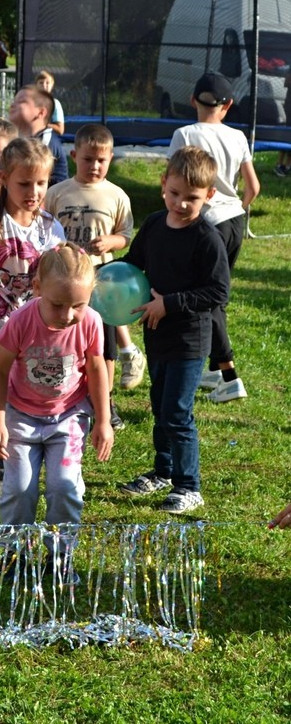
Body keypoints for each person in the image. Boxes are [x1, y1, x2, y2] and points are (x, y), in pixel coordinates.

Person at [118, 146, 229, 514]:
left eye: (192, 198)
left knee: (177, 413)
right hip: (157, 336)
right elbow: (133, 264)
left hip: (189, 339)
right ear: (164, 183)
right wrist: (97, 274)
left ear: (209, 195)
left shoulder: (206, 238)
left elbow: (217, 291)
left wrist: (169, 303)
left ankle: (189, 485)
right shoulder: (153, 225)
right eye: (175, 193)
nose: (181, 204)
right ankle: (163, 471)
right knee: (160, 406)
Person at [0, 244, 112, 577]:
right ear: (38, 288)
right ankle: (13, 554)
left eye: (79, 305)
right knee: (19, 489)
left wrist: (103, 420)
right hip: (21, 416)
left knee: (64, 487)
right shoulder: (20, 321)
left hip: (68, 416)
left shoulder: (91, 323)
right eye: (58, 304)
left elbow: (97, 369)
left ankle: (60, 557)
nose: (68, 314)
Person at [0, 137, 66, 500]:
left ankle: (8, 454)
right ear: (4, 177)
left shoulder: (50, 228)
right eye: (24, 183)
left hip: (29, 327)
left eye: (41, 183)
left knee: (18, 397)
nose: (34, 191)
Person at [167, 72, 260, 404]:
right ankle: (216, 371)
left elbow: (173, 180)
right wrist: (236, 206)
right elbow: (254, 187)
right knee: (218, 295)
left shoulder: (184, 134)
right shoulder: (237, 136)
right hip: (234, 219)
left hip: (208, 224)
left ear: (193, 100)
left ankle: (231, 376)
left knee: (209, 299)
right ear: (228, 105)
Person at [45, 122, 139, 428]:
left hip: (101, 280)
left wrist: (110, 242)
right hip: (63, 277)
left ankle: (105, 401)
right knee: (63, 336)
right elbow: (43, 228)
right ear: (74, 155)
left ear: (111, 158)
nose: (95, 166)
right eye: (88, 159)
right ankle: (59, 393)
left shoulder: (117, 195)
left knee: (104, 343)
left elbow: (125, 234)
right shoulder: (57, 192)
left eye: (101, 160)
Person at [8, 84, 68, 185]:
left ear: (41, 113)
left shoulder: (46, 142)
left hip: (52, 197)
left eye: (21, 101)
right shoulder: (20, 139)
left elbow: (23, 171)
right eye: (14, 101)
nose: (12, 105)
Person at [35, 71, 64, 136]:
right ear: (36, 85)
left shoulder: (55, 104)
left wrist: (44, 125)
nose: (44, 85)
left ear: (52, 85)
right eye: (41, 83)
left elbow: (60, 130)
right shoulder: (30, 103)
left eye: (47, 83)